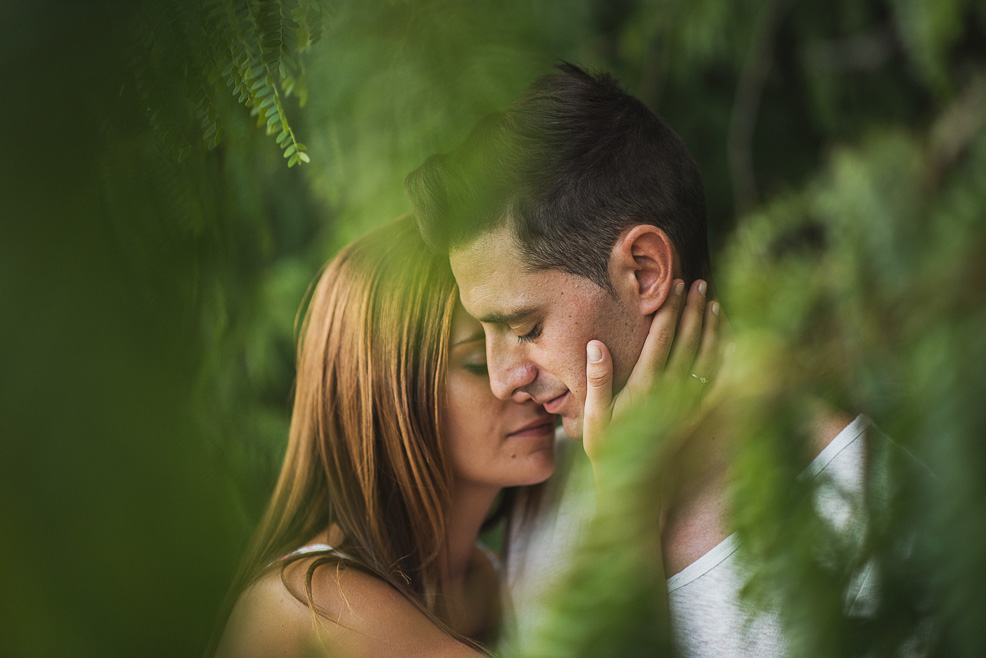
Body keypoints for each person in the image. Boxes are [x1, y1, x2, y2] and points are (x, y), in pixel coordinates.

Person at [405, 62, 873, 655]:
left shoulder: (868, 514)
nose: (503, 381)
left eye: (526, 327)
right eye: (486, 338)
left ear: (645, 272)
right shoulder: (549, 482)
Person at [211, 217, 560, 657]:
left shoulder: (489, 576)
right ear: (390, 395)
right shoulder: (317, 601)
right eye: (477, 362)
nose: (525, 380)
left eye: (527, 336)